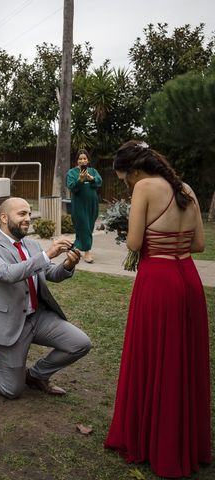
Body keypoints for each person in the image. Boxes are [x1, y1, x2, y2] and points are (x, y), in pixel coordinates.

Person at [104, 141, 210, 478]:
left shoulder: (145, 188)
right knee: (182, 359)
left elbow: (135, 243)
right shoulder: (186, 188)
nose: (127, 185)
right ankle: (184, 442)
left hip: (159, 281)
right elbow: (199, 244)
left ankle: (154, 442)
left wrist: (127, 226)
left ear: (135, 171)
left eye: (124, 179)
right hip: (188, 279)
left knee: (155, 357)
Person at [0, 197, 92, 399]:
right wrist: (46, 255)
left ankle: (36, 375)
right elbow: (8, 274)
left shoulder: (32, 246)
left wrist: (68, 265)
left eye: (29, 214)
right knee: (11, 390)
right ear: (4, 217)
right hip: (8, 323)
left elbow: (51, 273)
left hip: (38, 318)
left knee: (80, 343)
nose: (28, 219)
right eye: (22, 214)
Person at [66, 149, 102, 263]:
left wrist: (91, 178)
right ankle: (87, 252)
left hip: (92, 204)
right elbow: (72, 187)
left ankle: (77, 246)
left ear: (88, 160)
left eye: (84, 158)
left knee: (89, 227)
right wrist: (80, 180)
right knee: (84, 226)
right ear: (77, 161)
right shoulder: (71, 173)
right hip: (79, 205)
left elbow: (99, 182)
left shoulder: (93, 171)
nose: (82, 161)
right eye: (80, 159)